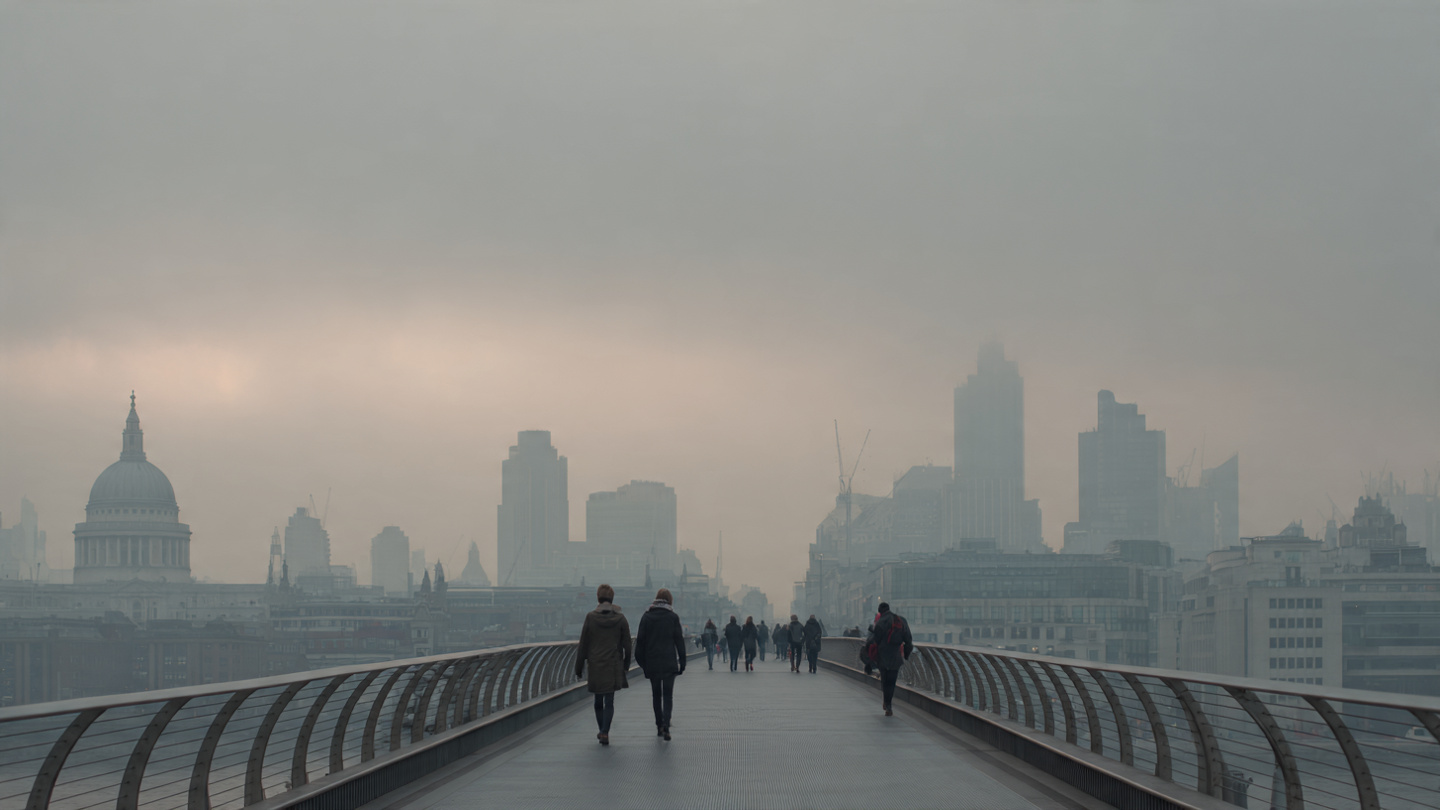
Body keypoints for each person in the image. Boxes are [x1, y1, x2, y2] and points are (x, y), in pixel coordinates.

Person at [575, 583, 631, 746]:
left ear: (598, 598)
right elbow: (628, 644)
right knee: (610, 700)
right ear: (612, 598)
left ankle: (601, 730)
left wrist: (578, 667)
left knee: (598, 701)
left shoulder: (590, 617)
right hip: (613, 664)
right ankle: (605, 731)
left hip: (595, 664)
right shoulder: (620, 618)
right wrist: (626, 664)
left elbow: (583, 644)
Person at [635, 588, 686, 740]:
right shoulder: (673, 617)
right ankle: (666, 725)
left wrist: (643, 664)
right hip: (669, 662)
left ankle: (659, 725)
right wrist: (682, 662)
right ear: (670, 600)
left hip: (653, 663)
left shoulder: (646, 617)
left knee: (656, 695)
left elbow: (640, 644)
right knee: (668, 695)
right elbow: (679, 641)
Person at [864, 602, 914, 716]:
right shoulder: (901, 620)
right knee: (892, 681)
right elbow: (909, 641)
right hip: (896, 656)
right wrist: (905, 655)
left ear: (880, 611)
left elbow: (875, 641)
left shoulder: (881, 622)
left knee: (885, 681)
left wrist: (869, 660)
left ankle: (887, 703)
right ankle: (889, 703)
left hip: (883, 656)